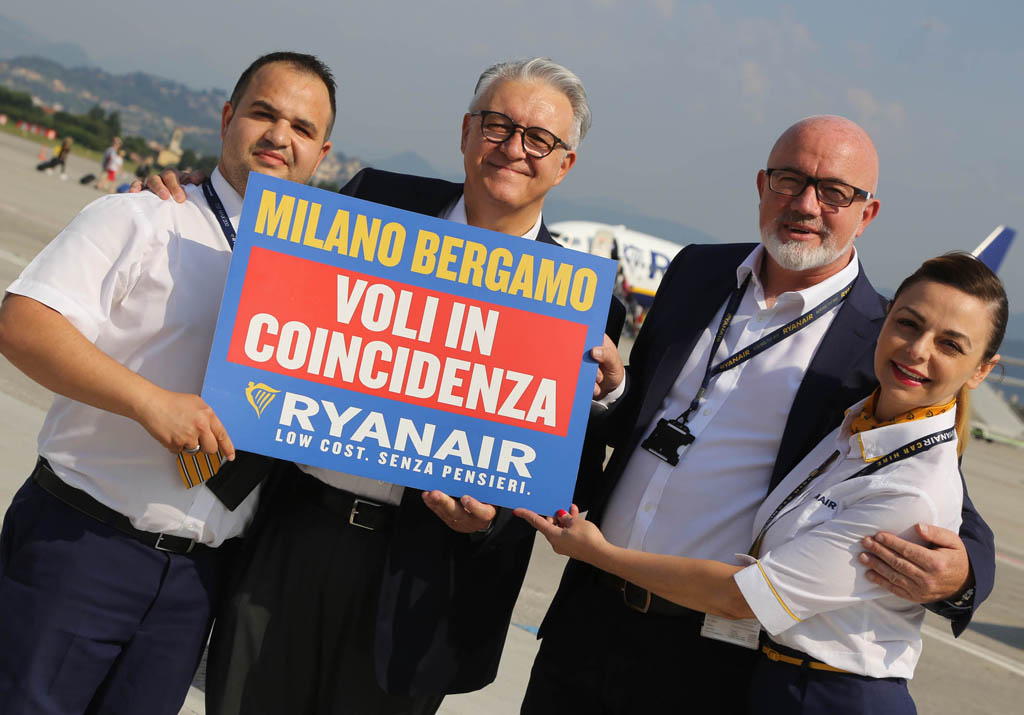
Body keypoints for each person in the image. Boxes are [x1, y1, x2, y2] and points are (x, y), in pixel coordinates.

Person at [142, 56, 625, 714]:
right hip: (294, 532)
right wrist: (193, 198)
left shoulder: (585, 304)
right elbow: (274, 272)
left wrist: (491, 521)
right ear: (466, 130)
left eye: (538, 138)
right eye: (497, 125)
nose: (513, 148)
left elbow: (572, 477)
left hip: (424, 587)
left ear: (564, 164)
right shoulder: (374, 201)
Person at [519, 116, 996, 714]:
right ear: (762, 184)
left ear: (866, 213)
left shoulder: (885, 341)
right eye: (789, 180)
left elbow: (933, 483)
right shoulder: (697, 272)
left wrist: (962, 577)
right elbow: (648, 418)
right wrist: (615, 393)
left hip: (707, 654)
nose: (805, 204)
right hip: (588, 616)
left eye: (834, 192)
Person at [0, 51, 335, 715]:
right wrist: (149, 402)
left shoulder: (325, 272)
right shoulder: (145, 217)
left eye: (302, 128)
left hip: (196, 582)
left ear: (321, 154)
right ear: (227, 118)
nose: (279, 136)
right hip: (81, 545)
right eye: (263, 113)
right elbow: (22, 325)